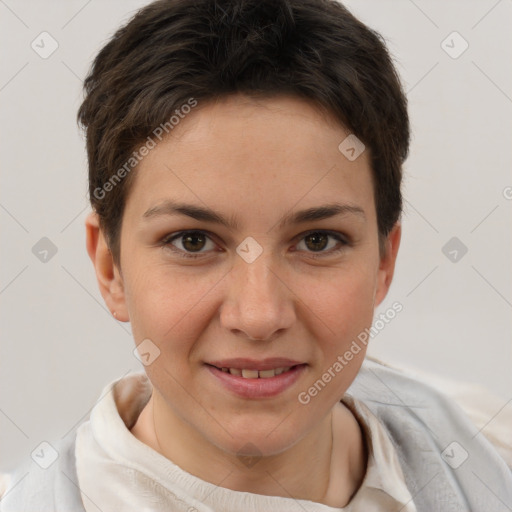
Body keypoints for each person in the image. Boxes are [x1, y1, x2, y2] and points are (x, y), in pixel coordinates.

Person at [1, 0, 511, 510]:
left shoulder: (489, 452)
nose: (259, 315)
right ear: (110, 269)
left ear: (383, 261)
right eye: (193, 241)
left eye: (318, 241)